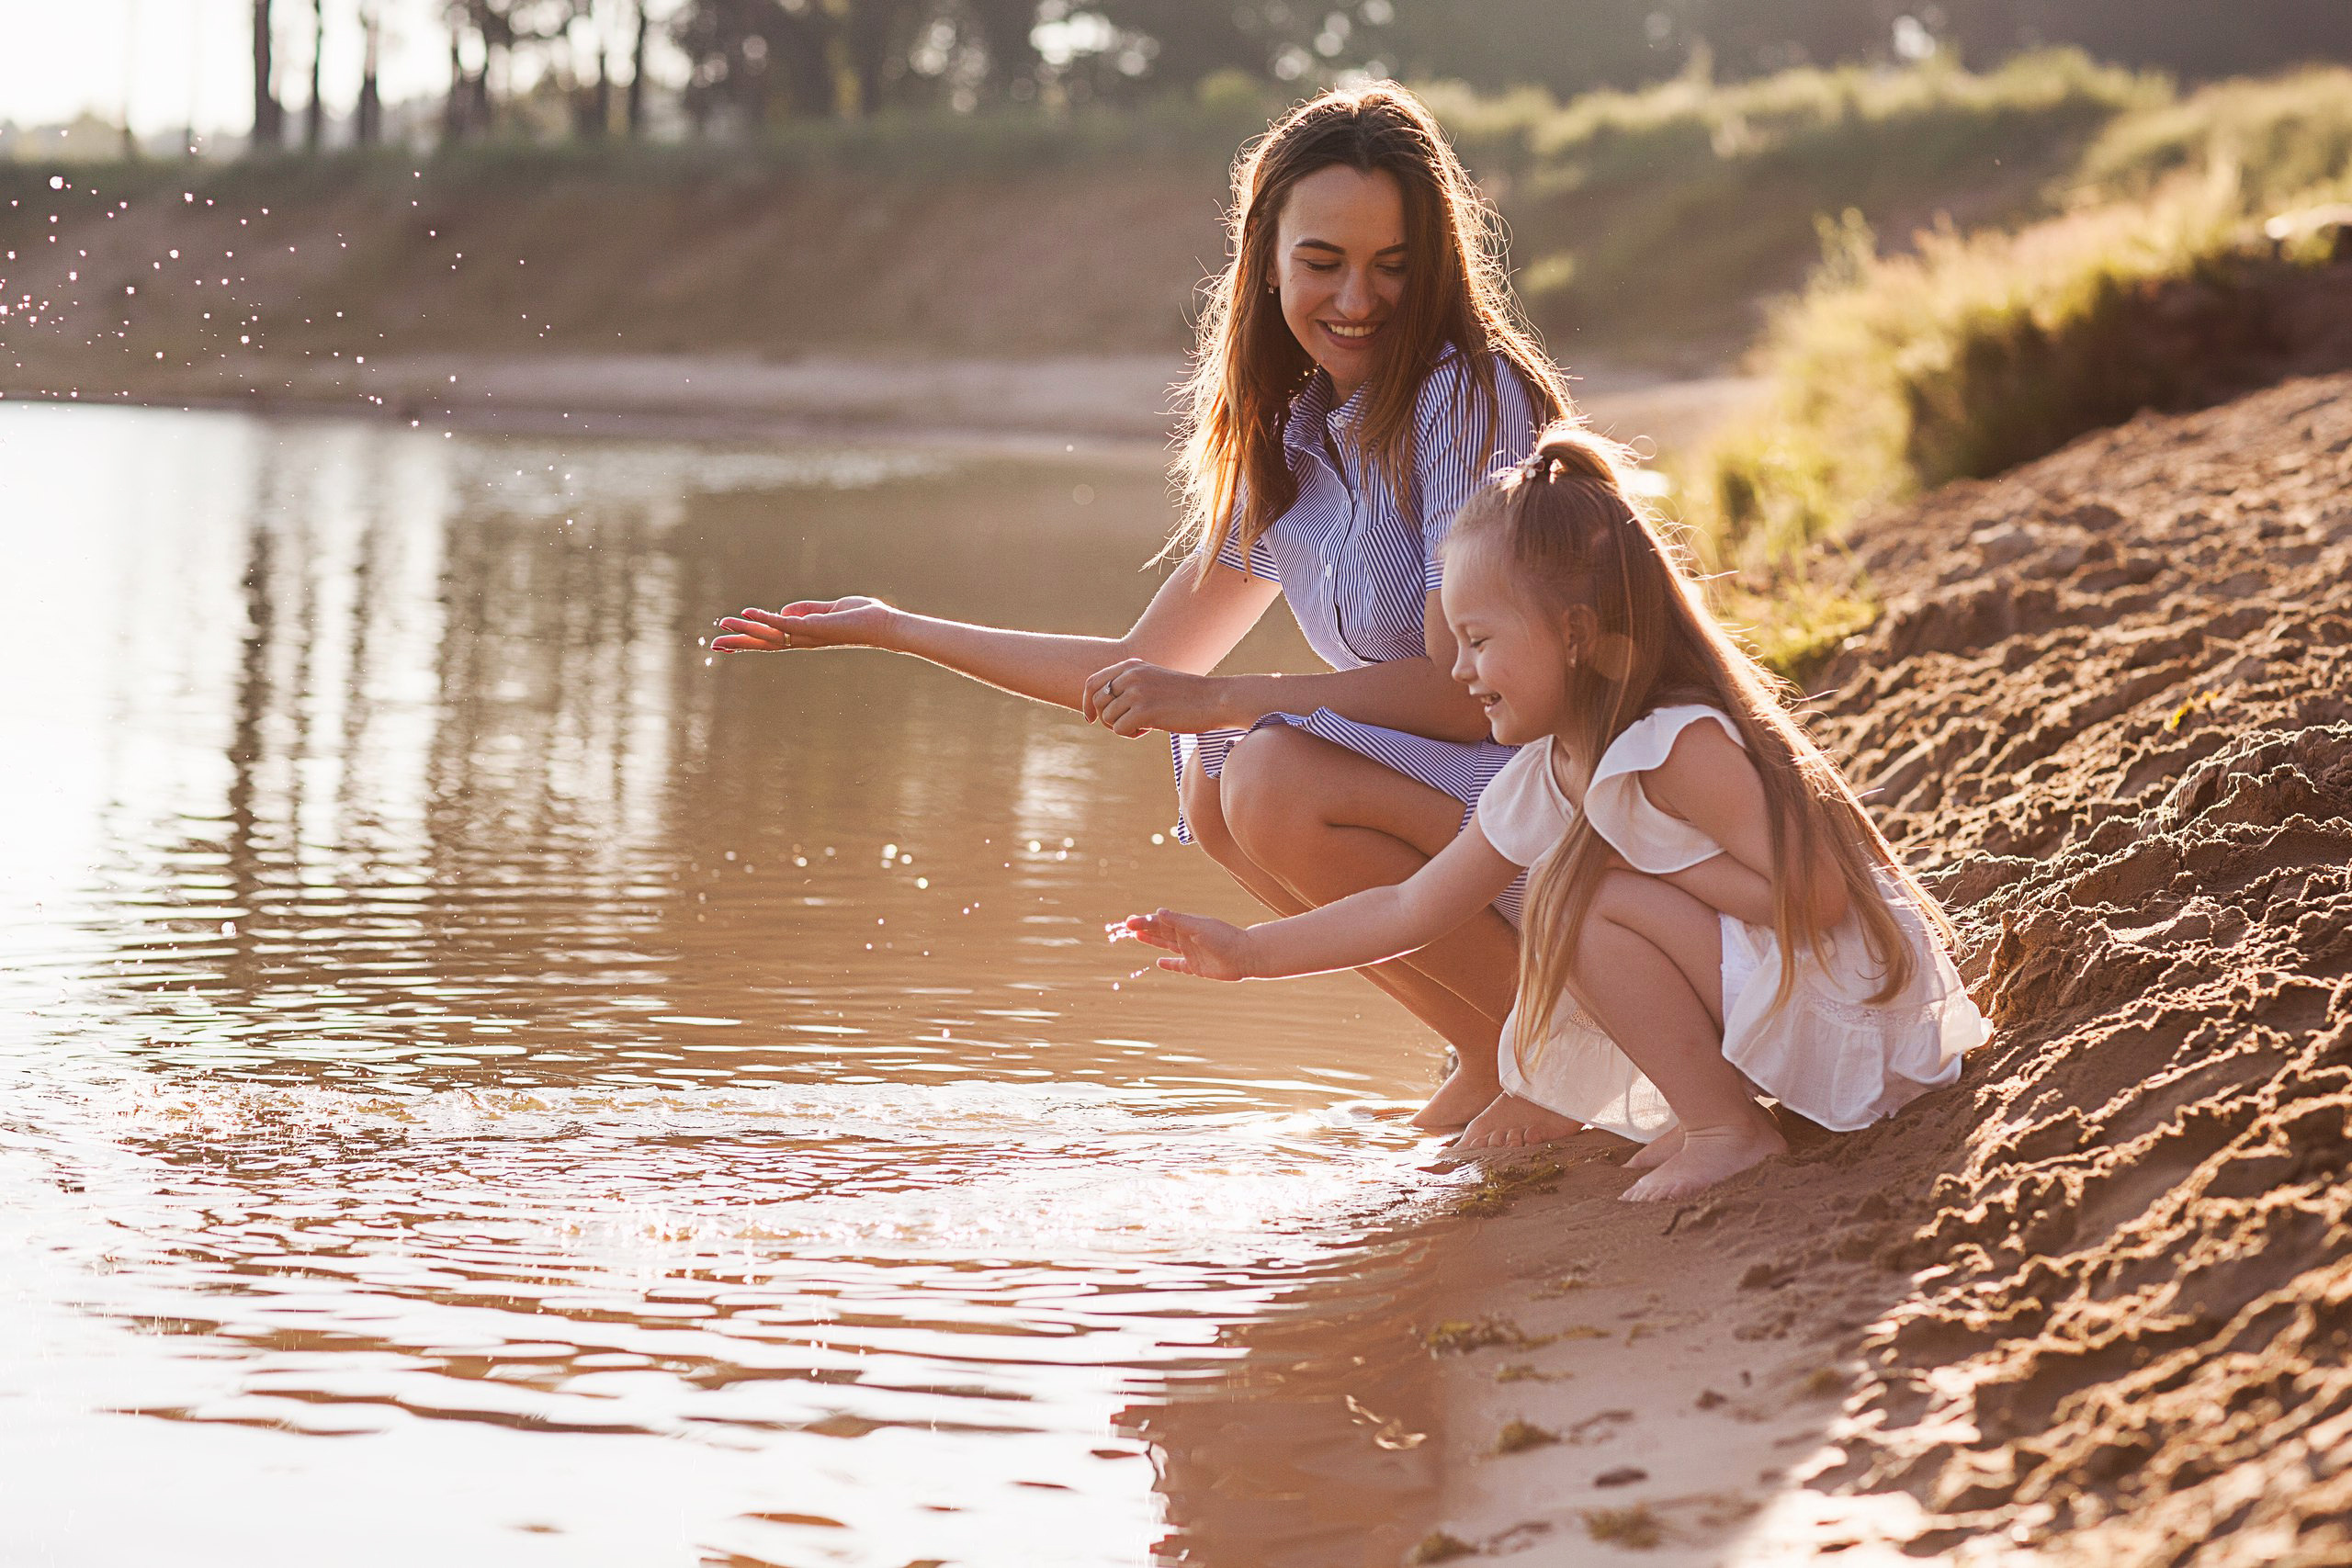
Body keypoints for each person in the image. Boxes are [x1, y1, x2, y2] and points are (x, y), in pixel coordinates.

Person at [714, 85, 1570, 1135]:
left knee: (1258, 762)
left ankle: (1547, 1041)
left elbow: (1464, 695)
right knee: (1209, 766)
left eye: (1392, 266)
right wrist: (897, 627)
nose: (1358, 297)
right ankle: (1490, 1043)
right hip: (1471, 813)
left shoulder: (1463, 395)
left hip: (1566, 804)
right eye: (1322, 263)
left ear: (1431, 266)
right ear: (1265, 260)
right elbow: (1133, 671)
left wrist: (1228, 696)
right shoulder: (1298, 439)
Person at [1117, 425, 1990, 1199]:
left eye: (1480, 641)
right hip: (1783, 982)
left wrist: (1657, 864)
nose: (1459, 671)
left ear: (1574, 634)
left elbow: (1823, 898)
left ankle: (1731, 1131)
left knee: (1586, 899)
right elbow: (1411, 908)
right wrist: (1247, 953)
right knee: (1577, 895)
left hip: (1856, 1002)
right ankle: (1707, 1109)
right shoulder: (1551, 770)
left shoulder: (1676, 742)